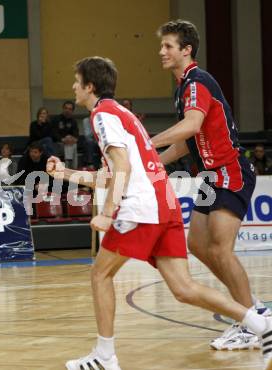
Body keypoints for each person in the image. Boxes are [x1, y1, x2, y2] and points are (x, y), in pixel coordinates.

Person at [45, 56, 272, 370]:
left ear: (90, 86)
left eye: (76, 81)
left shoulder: (102, 114)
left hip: (142, 206)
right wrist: (66, 173)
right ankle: (262, 326)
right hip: (164, 202)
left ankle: (105, 357)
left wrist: (108, 213)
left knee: (100, 274)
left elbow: (122, 168)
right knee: (183, 289)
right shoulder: (122, 114)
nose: (72, 86)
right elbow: (114, 175)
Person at [151, 19, 270, 350]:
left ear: (186, 50)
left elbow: (190, 126)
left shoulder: (197, 82)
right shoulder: (183, 88)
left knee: (219, 248)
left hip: (228, 171)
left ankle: (251, 323)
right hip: (208, 177)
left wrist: (144, 143)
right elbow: (186, 143)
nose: (161, 51)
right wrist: (152, 162)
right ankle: (254, 308)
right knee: (199, 246)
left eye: (168, 46)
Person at [51, 101, 79, 169]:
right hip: (58, 143)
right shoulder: (56, 119)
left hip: (69, 143)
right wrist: (63, 139)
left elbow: (76, 135)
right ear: (63, 109)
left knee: (72, 145)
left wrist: (71, 138)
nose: (67, 110)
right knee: (69, 146)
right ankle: (71, 168)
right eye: (66, 108)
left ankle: (69, 166)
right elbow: (53, 133)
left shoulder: (73, 121)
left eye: (70, 109)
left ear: (72, 111)